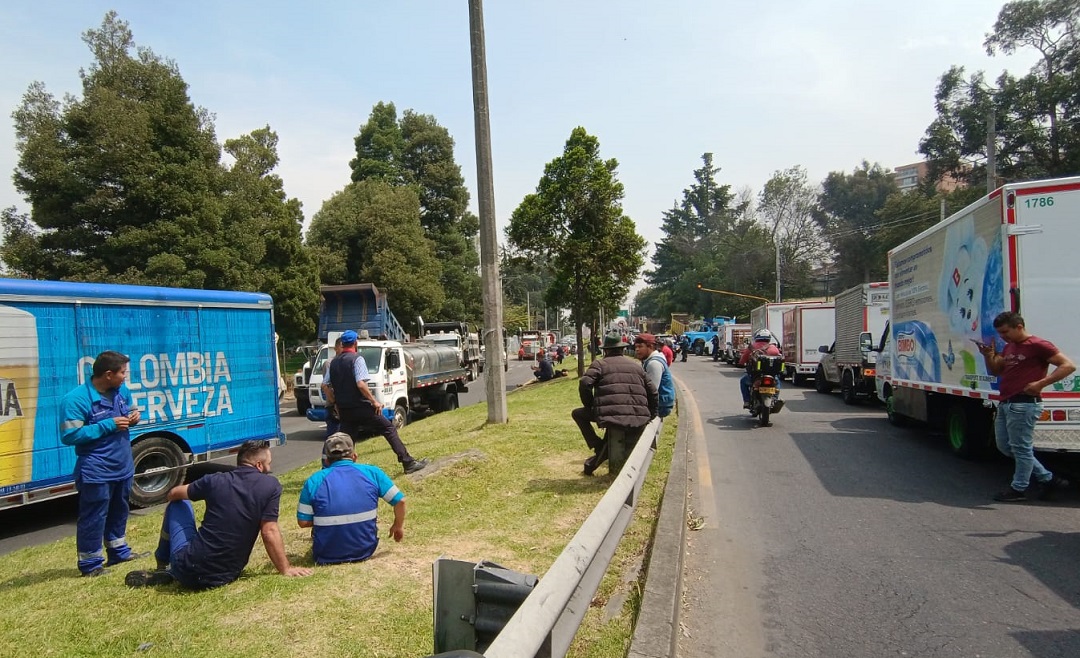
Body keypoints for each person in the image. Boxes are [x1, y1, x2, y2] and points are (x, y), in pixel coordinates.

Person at [124, 440, 314, 589]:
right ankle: (168, 570)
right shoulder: (270, 486)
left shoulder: (215, 481)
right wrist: (285, 568)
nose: (269, 468)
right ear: (258, 465)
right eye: (268, 464)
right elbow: (269, 530)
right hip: (228, 574)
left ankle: (163, 564)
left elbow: (173, 494)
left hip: (188, 568)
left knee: (178, 504)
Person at [60, 351, 148, 577]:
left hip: (123, 466)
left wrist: (134, 416)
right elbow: (69, 435)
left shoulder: (121, 391)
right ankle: (91, 564)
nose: (125, 377)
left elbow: (130, 410)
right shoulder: (76, 399)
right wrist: (107, 425)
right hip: (96, 469)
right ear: (108, 374)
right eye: (123, 373)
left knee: (120, 510)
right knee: (94, 515)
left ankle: (119, 552)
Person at [978, 312, 1076, 502]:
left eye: (1006, 332)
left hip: (1024, 404)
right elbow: (997, 370)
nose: (1003, 337)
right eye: (1000, 333)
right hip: (1006, 402)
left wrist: (1041, 383)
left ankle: (1019, 489)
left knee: (1021, 448)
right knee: (1005, 446)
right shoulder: (1009, 347)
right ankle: (1048, 478)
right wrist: (989, 355)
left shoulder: (1038, 345)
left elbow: (1068, 366)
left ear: (1019, 327)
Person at [325, 330, 428, 475]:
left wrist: (334, 402)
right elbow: (361, 384)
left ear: (342, 344)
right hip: (361, 407)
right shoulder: (357, 359)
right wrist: (374, 402)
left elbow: (325, 385)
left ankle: (338, 473)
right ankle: (408, 462)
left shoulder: (334, 362)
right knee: (388, 429)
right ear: (355, 343)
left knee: (346, 443)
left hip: (345, 410)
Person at [296, 433, 407, 564]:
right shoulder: (373, 473)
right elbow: (400, 501)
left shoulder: (314, 480)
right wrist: (398, 526)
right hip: (365, 550)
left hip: (325, 554)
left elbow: (303, 522)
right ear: (354, 456)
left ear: (326, 460)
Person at [572, 333, 658, 475]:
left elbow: (584, 383)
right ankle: (596, 457)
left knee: (578, 414)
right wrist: (650, 414)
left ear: (605, 350)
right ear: (623, 350)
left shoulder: (600, 364)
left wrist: (590, 406)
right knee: (613, 430)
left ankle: (597, 445)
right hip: (638, 416)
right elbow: (653, 392)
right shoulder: (636, 366)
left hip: (610, 415)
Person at [634, 333, 675, 418]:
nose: (637, 350)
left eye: (640, 346)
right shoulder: (652, 360)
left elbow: (652, 390)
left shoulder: (654, 363)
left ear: (651, 347)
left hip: (661, 406)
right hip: (661, 404)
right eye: (636, 347)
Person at [739, 329, 782, 409]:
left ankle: (747, 401)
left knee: (743, 381)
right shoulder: (774, 348)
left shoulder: (752, 347)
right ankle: (775, 399)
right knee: (778, 383)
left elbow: (742, 361)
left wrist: (741, 364)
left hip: (755, 377)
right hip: (772, 376)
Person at [321, 337, 344, 437]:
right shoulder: (329, 363)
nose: (343, 349)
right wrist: (335, 404)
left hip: (344, 407)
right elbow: (327, 386)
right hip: (333, 408)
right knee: (333, 440)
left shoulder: (347, 361)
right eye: (341, 346)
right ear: (335, 348)